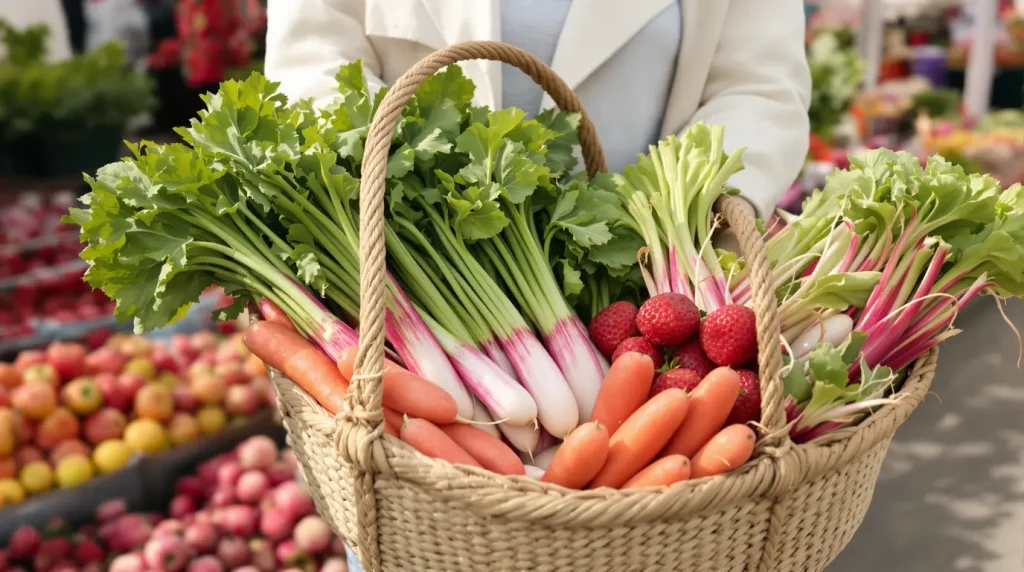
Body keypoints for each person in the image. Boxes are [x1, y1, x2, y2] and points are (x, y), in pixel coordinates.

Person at [265, 0, 811, 221]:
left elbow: (758, 87)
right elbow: (314, 65)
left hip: (650, 289)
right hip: (408, 275)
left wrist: (685, 219)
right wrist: (418, 226)